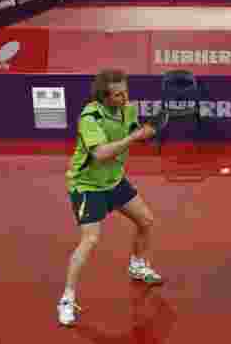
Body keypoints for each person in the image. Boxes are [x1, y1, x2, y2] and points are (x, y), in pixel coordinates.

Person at [58, 69, 162, 326]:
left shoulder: (129, 110)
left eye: (126, 91)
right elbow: (101, 154)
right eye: (118, 94)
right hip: (87, 186)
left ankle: (137, 265)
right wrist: (134, 137)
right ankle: (67, 300)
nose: (124, 97)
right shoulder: (90, 117)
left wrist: (146, 134)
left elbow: (133, 133)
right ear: (104, 97)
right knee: (90, 239)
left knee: (146, 220)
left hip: (114, 181)